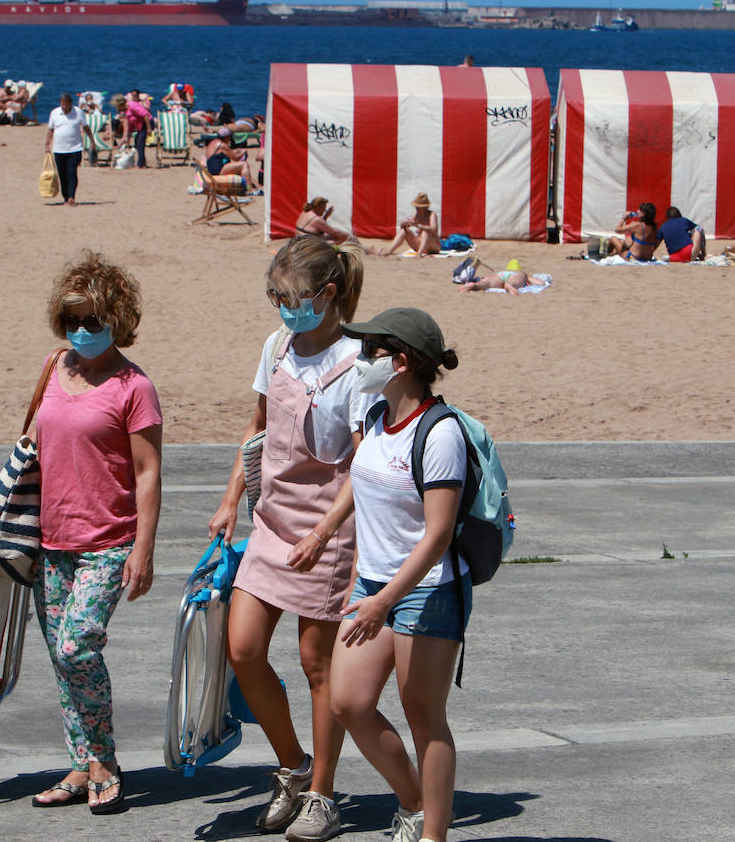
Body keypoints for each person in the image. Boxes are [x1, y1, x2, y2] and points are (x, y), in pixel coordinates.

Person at [209, 235, 367, 842]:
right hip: (271, 521)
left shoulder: (361, 363)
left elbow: (363, 463)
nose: (283, 308)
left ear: (329, 294)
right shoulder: (275, 346)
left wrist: (327, 532)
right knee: (243, 650)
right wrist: (229, 502)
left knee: (316, 664)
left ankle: (323, 793)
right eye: (275, 296)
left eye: (294, 297)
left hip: (331, 527)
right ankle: (292, 766)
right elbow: (256, 430)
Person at [26, 252, 162, 816]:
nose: (82, 331)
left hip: (108, 539)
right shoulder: (54, 368)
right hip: (49, 539)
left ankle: (103, 760)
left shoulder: (135, 387)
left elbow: (149, 471)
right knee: (62, 658)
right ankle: (81, 764)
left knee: (78, 644)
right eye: (73, 319)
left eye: (94, 321)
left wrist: (145, 550)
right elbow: (32, 446)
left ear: (118, 319)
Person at [332, 306, 467, 842]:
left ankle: (433, 834)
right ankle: (414, 802)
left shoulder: (440, 433)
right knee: (349, 703)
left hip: (427, 590)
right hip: (372, 586)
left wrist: (384, 599)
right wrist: (358, 581)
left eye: (372, 351)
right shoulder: (372, 418)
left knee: (423, 715)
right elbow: (369, 510)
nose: (362, 359)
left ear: (402, 362)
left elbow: (436, 536)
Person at [46, 93, 95, 206]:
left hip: (75, 148)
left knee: (72, 172)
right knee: (62, 175)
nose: (64, 107)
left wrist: (92, 141)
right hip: (59, 149)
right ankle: (66, 196)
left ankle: (71, 197)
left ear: (70, 104)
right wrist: (47, 145)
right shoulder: (55, 113)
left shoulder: (78, 112)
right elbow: (50, 130)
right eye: (62, 105)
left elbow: (86, 127)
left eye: (66, 105)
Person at [372, 193, 440, 257]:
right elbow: (406, 224)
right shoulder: (416, 215)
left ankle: (419, 254)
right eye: (416, 207)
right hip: (420, 243)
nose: (416, 208)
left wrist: (419, 226)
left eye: (419, 207)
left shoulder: (431, 214)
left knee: (425, 233)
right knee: (404, 230)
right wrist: (405, 224)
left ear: (425, 207)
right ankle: (390, 250)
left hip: (433, 245)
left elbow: (433, 228)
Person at [457, 258, 545, 293]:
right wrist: (544, 282)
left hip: (499, 275)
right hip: (514, 276)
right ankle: (509, 286)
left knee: (487, 283)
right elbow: (539, 283)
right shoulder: (521, 273)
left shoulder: (505, 271)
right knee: (511, 283)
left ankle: (474, 285)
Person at [124, 90, 152, 169]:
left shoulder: (134, 105)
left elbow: (146, 115)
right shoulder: (129, 108)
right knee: (138, 142)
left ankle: (140, 164)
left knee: (140, 143)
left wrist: (149, 128)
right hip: (141, 125)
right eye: (133, 95)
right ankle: (143, 162)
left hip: (146, 123)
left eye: (135, 95)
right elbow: (131, 124)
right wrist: (128, 138)